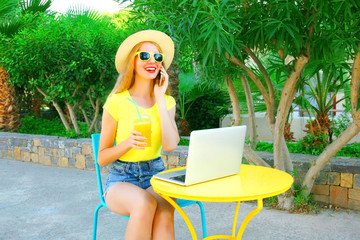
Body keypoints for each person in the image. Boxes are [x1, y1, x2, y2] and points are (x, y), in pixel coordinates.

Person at [97, 30, 180, 240]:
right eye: (144, 55)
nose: (152, 60)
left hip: (156, 174)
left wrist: (160, 98)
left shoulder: (167, 102)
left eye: (157, 57)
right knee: (144, 203)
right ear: (132, 61)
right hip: (121, 178)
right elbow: (102, 158)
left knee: (164, 209)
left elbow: (170, 145)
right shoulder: (116, 101)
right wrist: (127, 143)